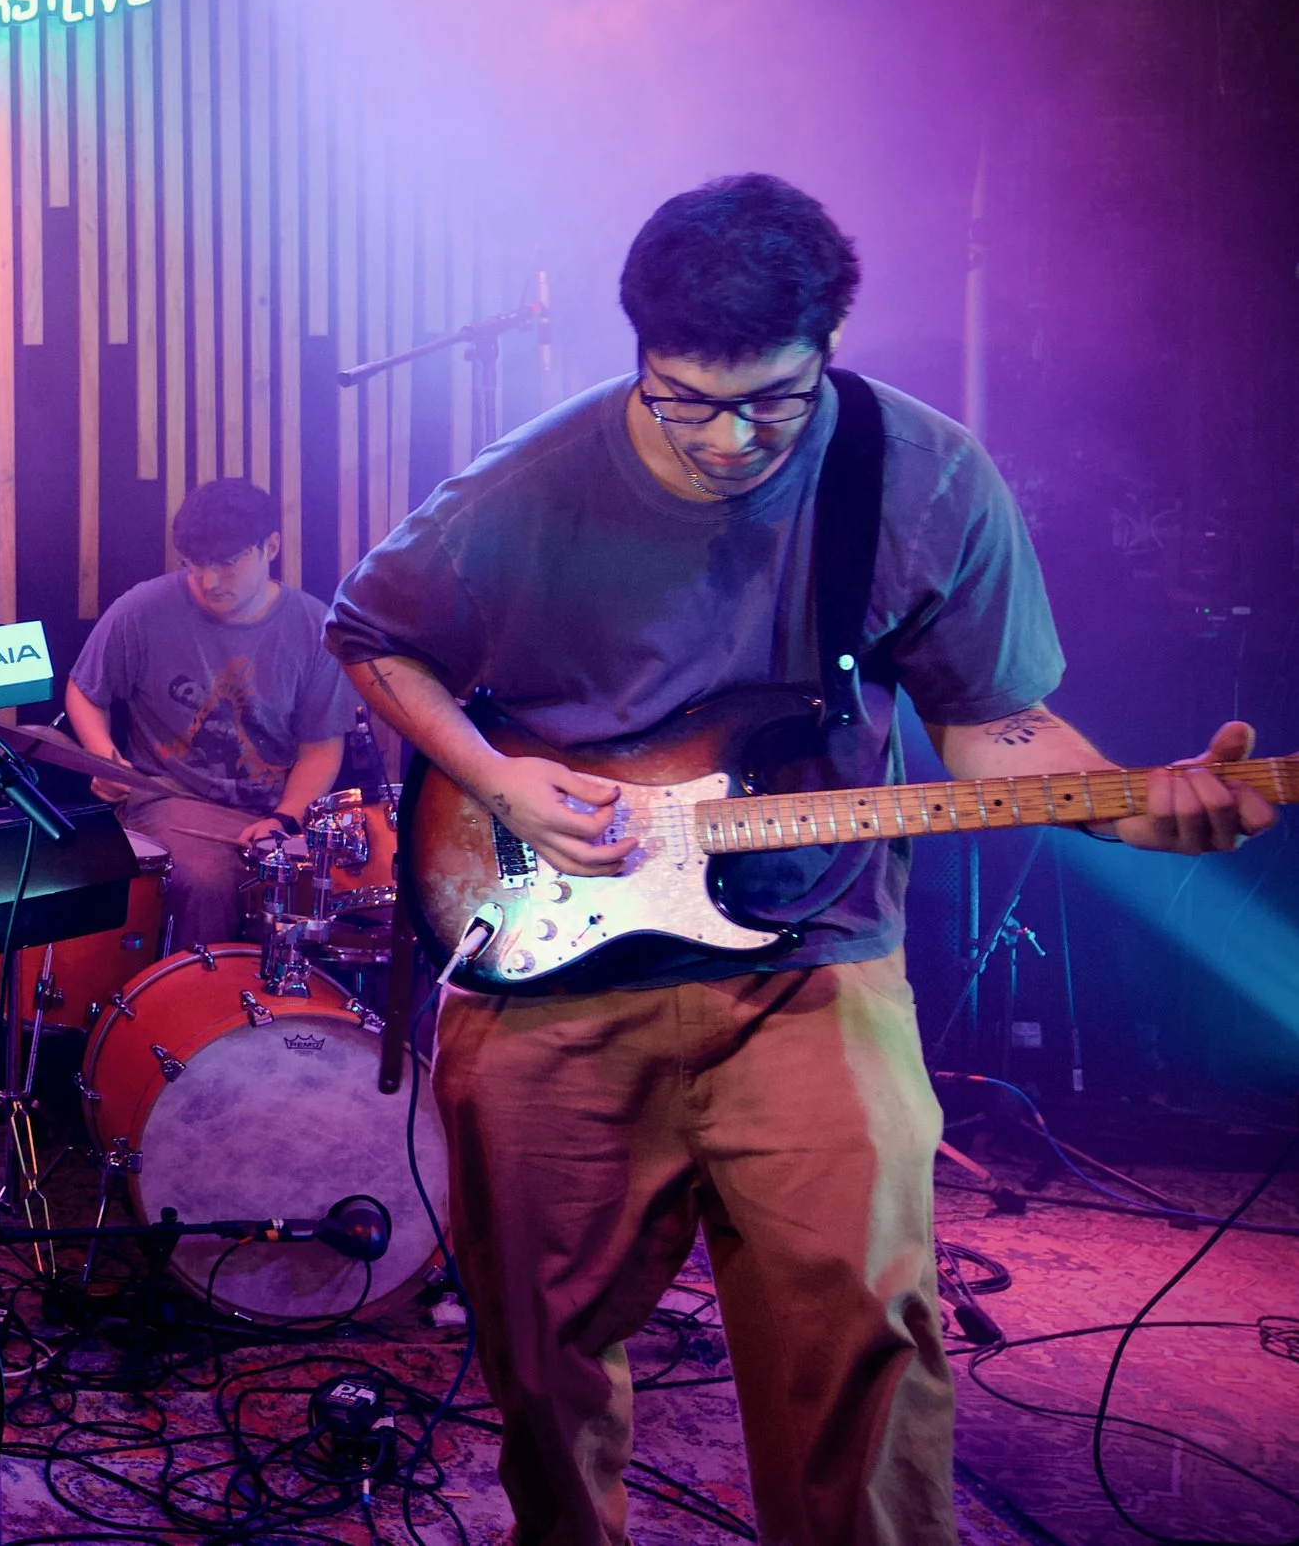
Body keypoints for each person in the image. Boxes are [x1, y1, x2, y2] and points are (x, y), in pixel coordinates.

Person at [327, 173, 1277, 1546]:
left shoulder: (924, 475)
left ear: (826, 346)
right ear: (639, 355)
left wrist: (1139, 805)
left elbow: (991, 722)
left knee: (868, 1346)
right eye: (684, 398)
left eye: (769, 401)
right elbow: (371, 631)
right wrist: (493, 779)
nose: (726, 438)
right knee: (537, 1351)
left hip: (815, 960)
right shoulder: (528, 484)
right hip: (547, 953)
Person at [66, 477, 363, 948]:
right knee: (203, 882)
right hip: (169, 800)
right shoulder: (143, 609)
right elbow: (84, 691)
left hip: (270, 813)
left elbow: (321, 747)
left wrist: (286, 820)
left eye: (226, 563)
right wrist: (104, 759)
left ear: (270, 547)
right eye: (195, 564)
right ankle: (193, 1016)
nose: (209, 581)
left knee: (344, 894)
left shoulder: (311, 626)